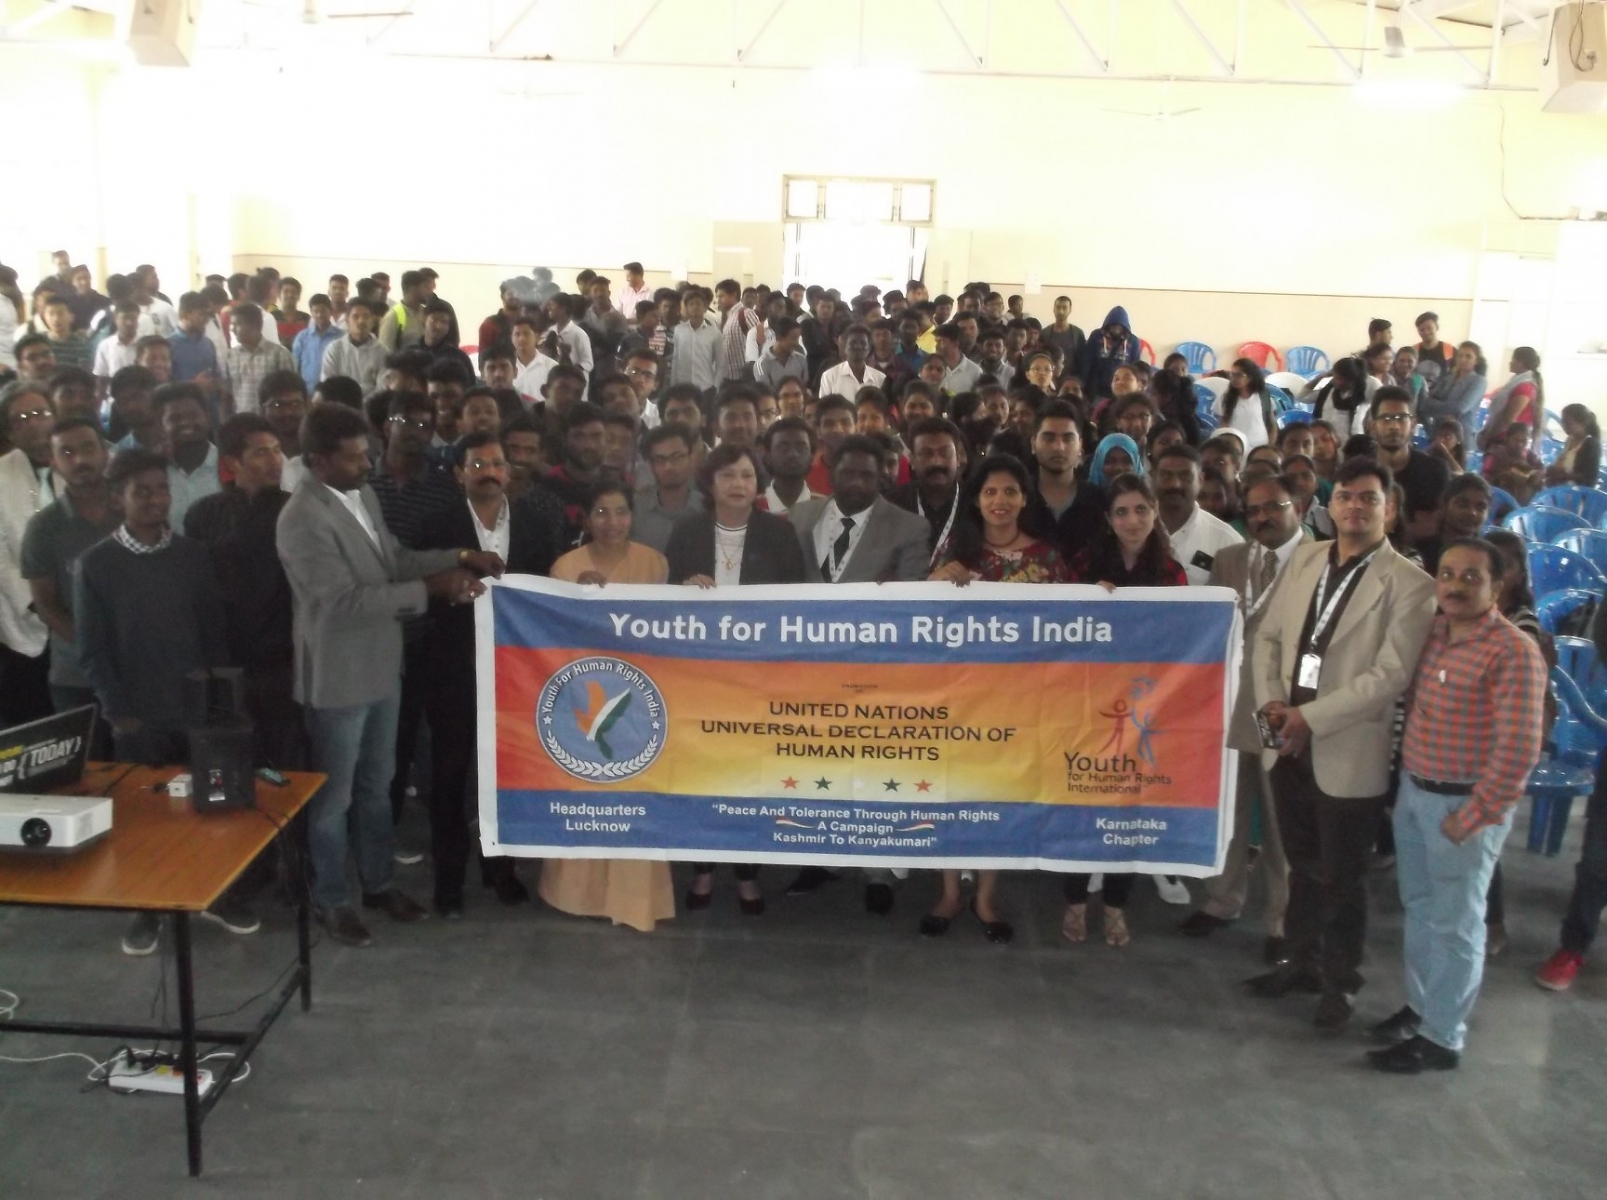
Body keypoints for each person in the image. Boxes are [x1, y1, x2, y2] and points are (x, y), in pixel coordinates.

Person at [276, 403, 499, 948]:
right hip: (338, 677)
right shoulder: (301, 518)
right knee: (334, 799)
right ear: (317, 461)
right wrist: (433, 589)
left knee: (378, 788)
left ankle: (377, 884)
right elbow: (344, 602)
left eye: (366, 454)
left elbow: (393, 558)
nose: (366, 464)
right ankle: (332, 899)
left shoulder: (362, 494)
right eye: (353, 458)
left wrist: (460, 556)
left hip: (381, 666)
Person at [1247, 457, 1438, 1031]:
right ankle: (1298, 963)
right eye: (1347, 497)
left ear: (1390, 510)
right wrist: (1272, 706)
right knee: (1301, 865)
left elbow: (1389, 677)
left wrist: (1308, 718)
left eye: (1369, 498)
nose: (1356, 506)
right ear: (1330, 506)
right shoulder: (1307, 558)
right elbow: (1269, 638)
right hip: (1287, 739)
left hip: (1347, 746)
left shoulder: (1411, 585)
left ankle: (1340, 983)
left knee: (1343, 878)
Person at [1365, 538, 1545, 1073]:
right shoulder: (1432, 634)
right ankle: (1422, 1008)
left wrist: (1475, 817)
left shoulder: (1513, 651)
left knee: (1458, 924)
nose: (1455, 586)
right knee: (1421, 910)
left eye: (1471, 577)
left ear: (1497, 586)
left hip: (1464, 807)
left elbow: (1519, 749)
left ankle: (1443, 1037)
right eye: (1447, 574)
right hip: (1415, 795)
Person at [75, 447, 236, 953]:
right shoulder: (96, 565)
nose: (154, 499)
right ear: (117, 499)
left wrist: (218, 700)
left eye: (161, 489)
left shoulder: (192, 555)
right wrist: (118, 712)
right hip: (137, 715)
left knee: (209, 807)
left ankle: (211, 893)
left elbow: (214, 632)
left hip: (195, 709)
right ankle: (146, 908)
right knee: (143, 818)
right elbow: (92, 650)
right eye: (141, 491)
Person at [925, 454, 1070, 944]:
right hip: (958, 698)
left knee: (997, 796)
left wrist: (1105, 598)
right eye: (989, 492)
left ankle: (986, 897)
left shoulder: (1047, 561)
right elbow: (918, 616)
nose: (1000, 500)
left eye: (1010, 491)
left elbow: (1074, 624)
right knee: (951, 791)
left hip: (1018, 703)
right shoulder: (956, 554)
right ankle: (949, 893)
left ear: (1025, 498)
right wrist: (937, 582)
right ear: (976, 501)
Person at [416, 432, 560, 918]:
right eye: (478, 465)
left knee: (504, 777)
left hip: (517, 671)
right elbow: (415, 585)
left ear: (509, 472)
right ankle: (449, 879)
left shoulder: (537, 524)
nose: (490, 472)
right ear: (459, 473)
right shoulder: (436, 526)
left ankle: (500, 869)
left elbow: (549, 589)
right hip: (453, 668)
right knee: (450, 777)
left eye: (497, 464)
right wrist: (445, 589)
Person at [666, 443, 805, 915]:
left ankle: (748, 872)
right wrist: (683, 592)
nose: (738, 484)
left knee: (750, 777)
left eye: (747, 475)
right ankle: (703, 867)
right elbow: (662, 601)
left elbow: (795, 605)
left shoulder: (780, 533)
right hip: (700, 677)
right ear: (710, 483)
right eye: (728, 475)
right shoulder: (687, 532)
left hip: (758, 677)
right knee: (704, 774)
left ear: (757, 482)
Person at [539, 482, 674, 930]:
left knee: (636, 797)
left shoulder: (654, 563)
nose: (612, 522)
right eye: (601, 512)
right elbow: (551, 635)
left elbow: (670, 628)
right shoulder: (565, 567)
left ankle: (634, 901)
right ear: (586, 518)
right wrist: (576, 601)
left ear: (632, 516)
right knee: (586, 792)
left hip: (640, 702)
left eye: (620, 512)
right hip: (582, 699)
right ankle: (576, 895)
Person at [1184, 473, 1308, 961]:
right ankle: (1222, 900)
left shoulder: (1319, 561)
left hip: (1283, 710)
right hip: (1232, 704)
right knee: (1228, 810)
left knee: (1281, 821)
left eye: (1274, 506)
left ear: (1299, 506)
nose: (1262, 517)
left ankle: (1283, 921)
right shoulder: (1231, 559)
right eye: (1254, 510)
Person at [1061, 473, 1188, 945]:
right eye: (1121, 512)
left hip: (1145, 710)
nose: (1132, 520)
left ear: (1154, 513)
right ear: (1108, 520)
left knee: (1130, 810)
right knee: (1081, 803)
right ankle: (1074, 902)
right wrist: (1090, 604)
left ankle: (1116, 906)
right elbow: (1062, 631)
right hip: (1088, 705)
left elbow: (1182, 639)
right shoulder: (1083, 565)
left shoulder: (1171, 573)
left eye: (1140, 510)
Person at [183, 414, 304, 774]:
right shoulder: (204, 514)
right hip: (227, 659)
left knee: (287, 761)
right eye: (261, 453)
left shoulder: (296, 509)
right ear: (232, 462)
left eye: (278, 450)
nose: (275, 461)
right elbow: (199, 589)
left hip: (284, 657)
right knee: (233, 759)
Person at [0, 383, 57, 724]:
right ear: (10, 432)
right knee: (33, 720)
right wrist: (39, 603)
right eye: (21, 419)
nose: (33, 422)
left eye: (40, 413)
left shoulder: (79, 461)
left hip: (84, 614)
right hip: (24, 623)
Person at [1153, 443, 1242, 586]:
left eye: (1185, 476)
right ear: (1153, 478)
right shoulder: (1130, 531)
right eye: (1165, 475)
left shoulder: (1226, 541)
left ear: (1200, 480)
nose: (1175, 484)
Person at [632, 424, 704, 552]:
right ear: (651, 465)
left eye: (676, 457)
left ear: (691, 459)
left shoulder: (707, 508)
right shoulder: (635, 509)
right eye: (660, 459)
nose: (668, 466)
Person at [223, 303, 295, 417]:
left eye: (237, 324)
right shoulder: (230, 356)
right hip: (241, 419)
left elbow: (290, 392)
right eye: (232, 324)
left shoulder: (279, 354)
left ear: (255, 326)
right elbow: (227, 395)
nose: (232, 329)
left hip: (272, 420)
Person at [1413, 473, 1491, 575]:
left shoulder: (1486, 555)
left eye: (1481, 507)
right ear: (1444, 505)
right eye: (1463, 505)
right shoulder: (1421, 550)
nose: (1472, 513)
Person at [1420, 341, 1487, 448]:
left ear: (1476, 361)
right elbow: (1427, 403)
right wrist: (1445, 412)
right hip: (1438, 432)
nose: (1463, 359)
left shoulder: (1479, 381)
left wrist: (1438, 408)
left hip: (1462, 435)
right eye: (1460, 356)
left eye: (1468, 356)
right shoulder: (1448, 379)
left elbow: (1461, 407)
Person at [1479, 346, 1544, 443]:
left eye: (1513, 359)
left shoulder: (1525, 387)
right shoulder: (1516, 382)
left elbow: (1508, 419)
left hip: (1508, 440)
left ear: (1521, 363)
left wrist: (1489, 436)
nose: (1510, 362)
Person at [321, 299, 386, 395]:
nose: (361, 321)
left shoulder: (383, 352)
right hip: (340, 402)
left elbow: (383, 388)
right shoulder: (334, 349)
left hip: (373, 403)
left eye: (366, 316)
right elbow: (328, 384)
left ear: (372, 321)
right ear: (347, 321)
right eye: (356, 316)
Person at [758, 415, 817, 517]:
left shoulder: (825, 508)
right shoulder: (752, 508)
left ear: (811, 457)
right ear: (767, 456)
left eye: (801, 448)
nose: (793, 454)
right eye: (783, 448)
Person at [1216, 359, 1277, 452]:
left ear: (1250, 377)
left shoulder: (1263, 396)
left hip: (1260, 445)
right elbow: (1223, 425)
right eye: (1232, 374)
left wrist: (1270, 445)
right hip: (1235, 447)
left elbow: (1272, 424)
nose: (1234, 378)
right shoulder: (1225, 397)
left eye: (1239, 375)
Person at [292, 293, 345, 394]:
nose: (319, 315)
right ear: (311, 313)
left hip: (333, 391)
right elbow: (295, 365)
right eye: (315, 311)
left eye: (323, 311)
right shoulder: (302, 337)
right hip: (306, 391)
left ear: (330, 311)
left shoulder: (341, 336)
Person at [1310, 357, 1371, 443]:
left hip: (1350, 445)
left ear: (1351, 381)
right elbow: (1302, 396)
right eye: (1334, 375)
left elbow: (1357, 430)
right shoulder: (1328, 391)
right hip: (1326, 443)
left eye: (1338, 378)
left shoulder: (1363, 400)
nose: (1334, 380)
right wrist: (1322, 376)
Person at [1544, 402, 1601, 488]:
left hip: (1578, 491)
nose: (1564, 426)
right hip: (1563, 485)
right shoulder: (1570, 439)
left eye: (1568, 423)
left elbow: (1589, 477)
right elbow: (1563, 461)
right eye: (1563, 422)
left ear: (1583, 424)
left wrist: (1565, 476)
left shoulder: (1591, 444)